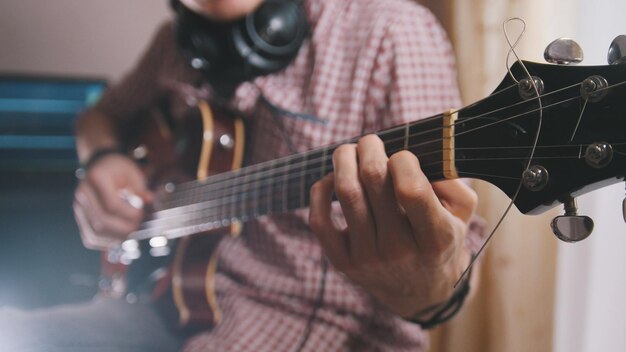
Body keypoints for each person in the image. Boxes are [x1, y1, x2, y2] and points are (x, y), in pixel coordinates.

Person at [0, 0, 484, 350]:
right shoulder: (174, 41)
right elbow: (98, 116)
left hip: (313, 325)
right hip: (160, 300)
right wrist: (102, 158)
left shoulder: (393, 31)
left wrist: (430, 282)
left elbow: (451, 265)